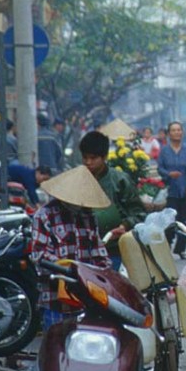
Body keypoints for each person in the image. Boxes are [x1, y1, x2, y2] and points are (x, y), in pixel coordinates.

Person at [29, 166, 112, 329]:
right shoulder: (44, 215)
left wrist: (105, 272)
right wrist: (72, 268)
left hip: (86, 299)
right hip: (55, 300)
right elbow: (39, 255)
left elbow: (98, 251)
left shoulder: (88, 216)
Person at [79, 131, 147, 270]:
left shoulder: (120, 180)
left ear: (104, 157)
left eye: (93, 158)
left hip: (115, 250)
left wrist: (125, 225)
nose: (88, 162)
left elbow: (139, 213)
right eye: (85, 158)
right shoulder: (77, 181)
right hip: (83, 251)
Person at [158, 121, 186, 224]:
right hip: (170, 191)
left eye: (179, 130)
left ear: (182, 132)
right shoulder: (164, 151)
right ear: (169, 134)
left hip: (185, 191)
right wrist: (169, 174)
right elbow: (160, 169)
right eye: (173, 130)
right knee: (169, 223)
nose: (177, 132)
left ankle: (182, 240)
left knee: (185, 222)